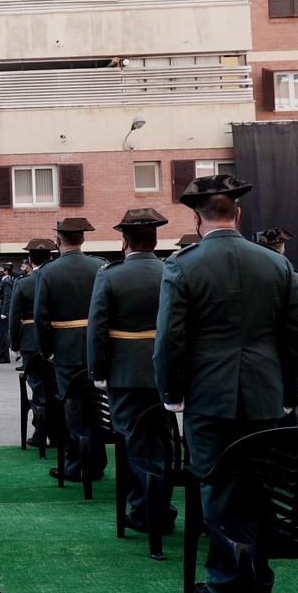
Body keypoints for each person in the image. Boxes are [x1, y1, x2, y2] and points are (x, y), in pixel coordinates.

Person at [154, 172, 298, 593]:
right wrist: (288, 393)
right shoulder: (277, 264)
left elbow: (170, 341)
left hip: (209, 395)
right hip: (265, 393)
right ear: (237, 214)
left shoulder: (182, 265)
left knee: (217, 488)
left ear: (199, 219)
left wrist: (171, 392)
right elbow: (293, 337)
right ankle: (258, 580)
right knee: (260, 488)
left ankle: (229, 582)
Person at [89, 208, 170, 527]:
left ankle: (145, 510)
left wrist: (98, 372)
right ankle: (159, 507)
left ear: (125, 240)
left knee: (134, 444)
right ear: (155, 238)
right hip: (162, 372)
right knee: (163, 443)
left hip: (124, 373)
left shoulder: (110, 274)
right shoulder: (171, 270)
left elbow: (97, 328)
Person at [34, 217, 106, 484]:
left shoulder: (48, 272)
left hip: (65, 347)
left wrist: (47, 349)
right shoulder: (100, 266)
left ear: (57, 241)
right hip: (96, 346)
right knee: (98, 407)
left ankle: (78, 465)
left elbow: (41, 316)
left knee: (74, 407)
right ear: (83, 239)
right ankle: (97, 462)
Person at [10, 242, 57, 450]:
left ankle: (41, 432)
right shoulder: (57, 279)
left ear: (30, 260)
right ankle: (57, 434)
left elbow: (14, 316)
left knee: (38, 387)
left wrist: (15, 343)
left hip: (30, 340)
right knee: (56, 388)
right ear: (50, 258)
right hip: (56, 338)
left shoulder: (23, 283)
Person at [0, 267, 17, 364]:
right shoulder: (3, 281)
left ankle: (4, 357)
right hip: (0, 307)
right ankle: (2, 356)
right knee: (0, 334)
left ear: (6, 271)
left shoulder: (6, 281)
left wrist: (4, 312)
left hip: (3, 309)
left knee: (3, 334)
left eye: (1, 269)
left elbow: (7, 297)